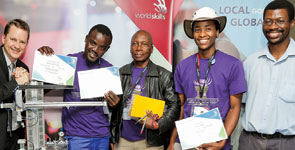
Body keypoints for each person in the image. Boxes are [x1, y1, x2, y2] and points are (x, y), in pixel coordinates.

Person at [169, 7, 247, 150]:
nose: (202, 34)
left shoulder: (233, 65)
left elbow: (234, 108)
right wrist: (172, 142)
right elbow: (180, 107)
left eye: (208, 29)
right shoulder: (183, 66)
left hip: (216, 141)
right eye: (197, 29)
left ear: (217, 32)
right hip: (188, 141)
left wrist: (222, 140)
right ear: (193, 34)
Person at [38, 24, 119, 150]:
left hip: (102, 135)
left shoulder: (109, 70)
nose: (95, 49)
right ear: (86, 39)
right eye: (92, 43)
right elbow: (41, 90)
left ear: (107, 49)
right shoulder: (69, 63)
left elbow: (113, 107)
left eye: (102, 47)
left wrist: (114, 104)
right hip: (76, 136)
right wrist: (44, 60)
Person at [110, 30, 179, 150]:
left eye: (144, 44)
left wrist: (157, 124)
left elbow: (175, 106)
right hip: (123, 141)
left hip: (150, 143)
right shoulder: (121, 73)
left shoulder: (164, 75)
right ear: (130, 48)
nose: (138, 48)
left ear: (152, 49)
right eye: (135, 44)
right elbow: (115, 109)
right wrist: (113, 136)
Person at [239, 1, 295, 149]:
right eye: (268, 21)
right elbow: (239, 104)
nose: (273, 26)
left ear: (292, 23)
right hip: (250, 142)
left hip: (287, 143)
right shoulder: (251, 62)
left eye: (280, 21)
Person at [0, 19, 30, 150]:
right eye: (13, 39)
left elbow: (26, 104)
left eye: (22, 42)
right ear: (3, 38)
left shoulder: (23, 68)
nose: (17, 46)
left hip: (16, 139)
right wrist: (16, 83)